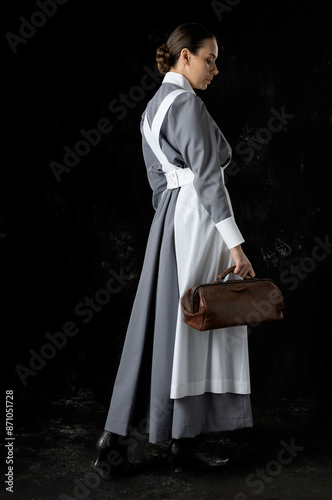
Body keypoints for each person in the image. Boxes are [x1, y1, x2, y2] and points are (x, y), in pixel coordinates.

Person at [93, 22, 255, 479]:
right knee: (194, 326)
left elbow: (157, 183)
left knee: (164, 328)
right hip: (197, 221)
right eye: (209, 58)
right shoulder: (187, 104)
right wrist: (236, 245)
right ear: (186, 57)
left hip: (169, 219)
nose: (215, 68)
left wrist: (167, 221)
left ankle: (133, 438)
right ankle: (180, 440)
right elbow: (209, 177)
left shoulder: (150, 109)